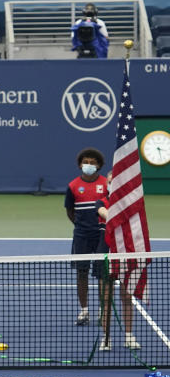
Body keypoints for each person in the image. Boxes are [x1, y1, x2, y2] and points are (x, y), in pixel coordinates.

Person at [64, 147, 108, 327]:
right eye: (85, 162)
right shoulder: (73, 186)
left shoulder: (106, 184)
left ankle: (101, 311)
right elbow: (70, 211)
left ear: (98, 165)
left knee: (102, 275)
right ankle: (84, 311)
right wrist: (80, 226)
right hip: (81, 236)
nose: (88, 165)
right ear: (80, 164)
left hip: (102, 236)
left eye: (92, 162)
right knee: (82, 274)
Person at [97, 172, 140, 350]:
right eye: (110, 181)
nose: (112, 184)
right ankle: (106, 338)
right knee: (106, 299)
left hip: (125, 253)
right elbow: (108, 216)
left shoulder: (130, 203)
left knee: (126, 297)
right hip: (105, 253)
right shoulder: (100, 202)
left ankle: (129, 336)